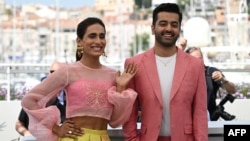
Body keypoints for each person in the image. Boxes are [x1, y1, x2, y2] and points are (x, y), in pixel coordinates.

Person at [21, 17, 138, 141]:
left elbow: (114, 122)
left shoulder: (113, 75)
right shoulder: (68, 71)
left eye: (102, 36)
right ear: (79, 41)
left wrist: (120, 88)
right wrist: (56, 128)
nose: (98, 41)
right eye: (92, 36)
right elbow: (29, 100)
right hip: (74, 138)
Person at [122, 3, 208, 141]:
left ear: (179, 29)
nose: (169, 28)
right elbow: (129, 111)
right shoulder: (134, 64)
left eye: (174, 25)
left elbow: (200, 112)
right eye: (163, 23)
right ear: (152, 28)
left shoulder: (195, 65)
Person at [15, 61, 66, 141]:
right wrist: (26, 133)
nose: (55, 75)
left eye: (59, 73)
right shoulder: (33, 100)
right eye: (52, 72)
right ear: (48, 74)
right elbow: (19, 123)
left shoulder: (65, 104)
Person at [185, 47, 237, 121]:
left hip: (210, 119)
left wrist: (223, 79)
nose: (198, 62)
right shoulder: (183, 75)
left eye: (200, 58)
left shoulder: (211, 72)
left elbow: (232, 90)